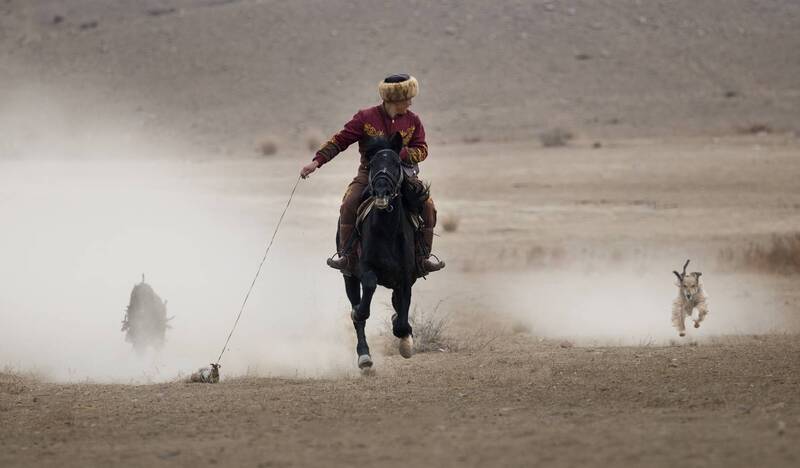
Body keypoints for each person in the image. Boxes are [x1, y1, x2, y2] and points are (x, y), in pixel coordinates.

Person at [300, 74, 445, 275]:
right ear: (394, 99)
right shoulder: (365, 118)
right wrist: (316, 162)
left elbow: (422, 149)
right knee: (348, 204)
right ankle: (348, 257)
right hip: (369, 175)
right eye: (407, 98)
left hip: (403, 175)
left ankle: (422, 258)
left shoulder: (413, 121)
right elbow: (339, 141)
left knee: (428, 206)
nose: (410, 102)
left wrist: (402, 153)